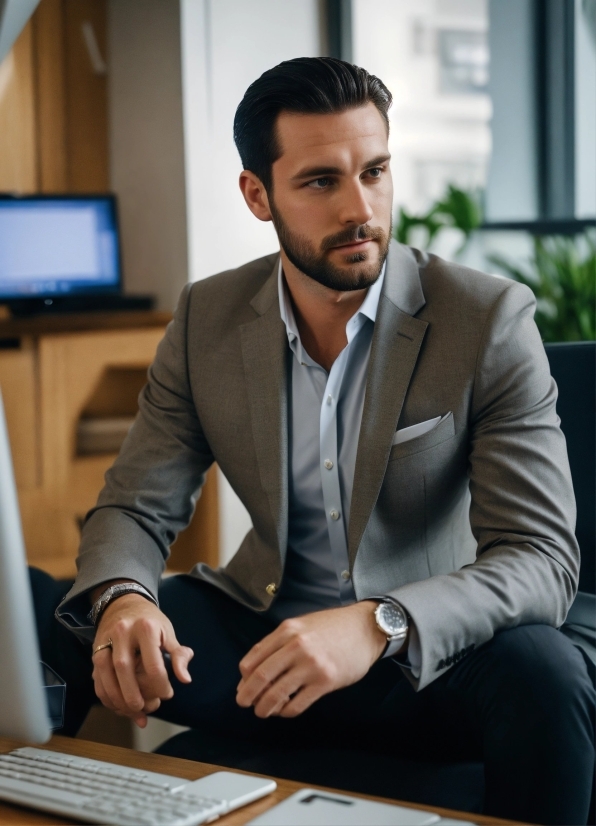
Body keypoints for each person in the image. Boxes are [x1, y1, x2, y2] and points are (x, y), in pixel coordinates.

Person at [36, 58, 593, 824]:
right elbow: (135, 506)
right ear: (257, 195)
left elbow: (541, 557)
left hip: (431, 664)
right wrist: (125, 600)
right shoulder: (208, 319)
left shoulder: (486, 319)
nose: (360, 207)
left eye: (374, 170)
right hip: (264, 651)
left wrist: (380, 620)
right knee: (54, 607)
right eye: (321, 181)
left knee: (544, 671)